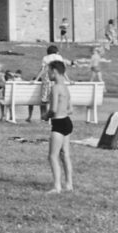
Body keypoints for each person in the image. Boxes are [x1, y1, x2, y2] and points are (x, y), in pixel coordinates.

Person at [42, 60, 73, 193]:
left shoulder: (55, 88)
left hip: (58, 124)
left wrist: (45, 116)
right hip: (67, 122)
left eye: (49, 72)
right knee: (65, 154)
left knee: (53, 156)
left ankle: (57, 187)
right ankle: (69, 184)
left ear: (54, 71)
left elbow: (53, 109)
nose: (48, 74)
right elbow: (70, 109)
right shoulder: (65, 88)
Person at [33, 45, 66, 122]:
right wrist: (69, 80)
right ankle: (56, 117)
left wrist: (36, 79)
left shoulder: (45, 58)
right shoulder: (59, 57)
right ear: (56, 51)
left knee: (44, 100)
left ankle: (44, 117)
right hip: (58, 81)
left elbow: (43, 70)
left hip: (47, 80)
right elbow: (63, 70)